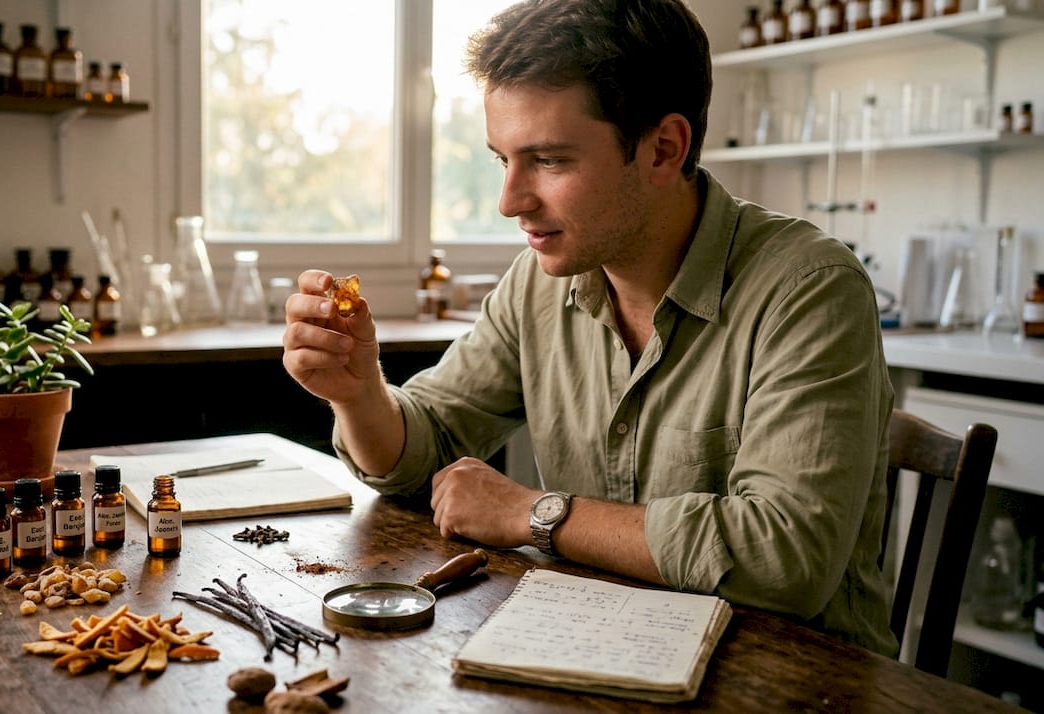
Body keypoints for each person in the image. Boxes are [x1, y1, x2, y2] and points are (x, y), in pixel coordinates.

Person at [281, 0, 895, 657]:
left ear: (664, 150)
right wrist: (359, 393)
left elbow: (784, 560)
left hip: (795, 683)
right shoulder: (536, 282)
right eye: (502, 160)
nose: (510, 201)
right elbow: (425, 445)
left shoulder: (809, 289)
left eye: (548, 161)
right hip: (597, 654)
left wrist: (533, 513)